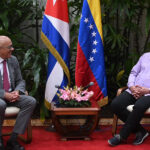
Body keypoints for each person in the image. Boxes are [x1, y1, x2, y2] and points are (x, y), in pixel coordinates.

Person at [0, 36, 36, 150]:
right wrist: (4, 95)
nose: (13, 49)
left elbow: (20, 80)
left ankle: (13, 139)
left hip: (13, 95)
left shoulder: (13, 60)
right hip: (1, 97)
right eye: (9, 47)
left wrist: (17, 91)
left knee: (30, 101)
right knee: (1, 104)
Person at [108, 52, 150, 146]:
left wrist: (147, 91)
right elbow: (133, 73)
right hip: (134, 90)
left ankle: (122, 136)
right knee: (116, 104)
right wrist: (131, 87)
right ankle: (141, 131)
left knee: (139, 106)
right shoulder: (145, 56)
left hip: (148, 94)